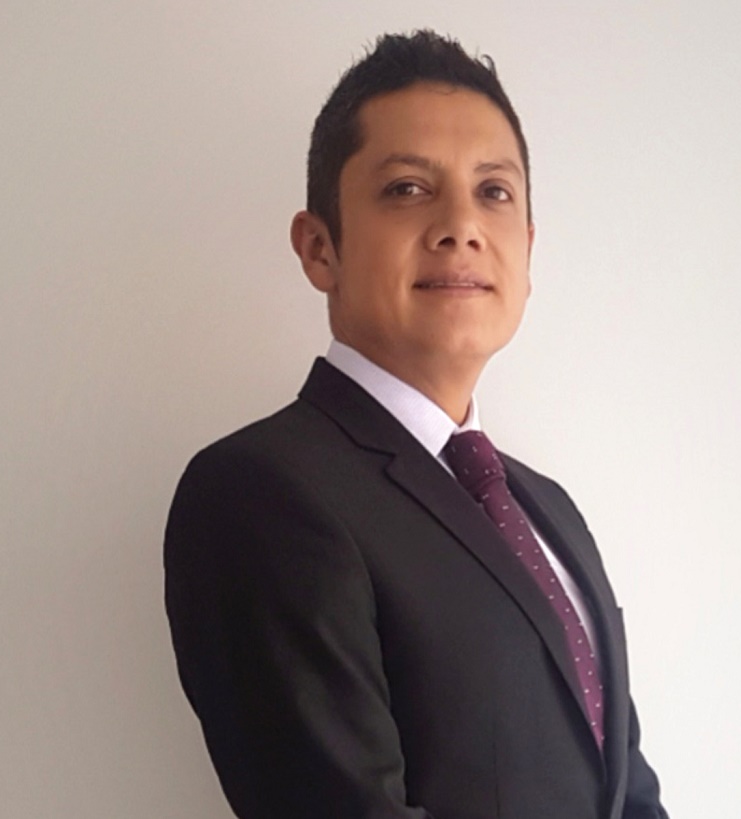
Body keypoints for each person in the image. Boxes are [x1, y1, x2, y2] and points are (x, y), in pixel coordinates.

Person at [165, 30, 669, 819]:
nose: (461, 224)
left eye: (494, 191)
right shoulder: (258, 491)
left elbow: (627, 793)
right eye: (407, 188)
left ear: (527, 249)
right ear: (319, 248)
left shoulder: (550, 510)